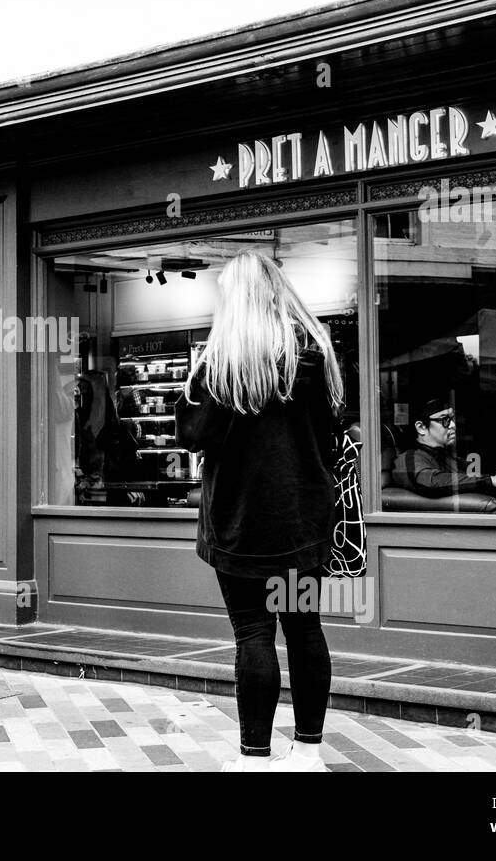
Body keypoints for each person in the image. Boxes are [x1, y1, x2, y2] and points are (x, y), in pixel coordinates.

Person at [174, 251, 341, 772]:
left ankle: (253, 760)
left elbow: (193, 435)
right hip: (305, 520)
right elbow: (334, 431)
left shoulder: (222, 361)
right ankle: (309, 753)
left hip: (241, 523)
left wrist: (199, 373)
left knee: (253, 634)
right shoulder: (316, 352)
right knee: (305, 628)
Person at [394, 398, 496, 498]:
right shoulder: (410, 458)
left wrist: (494, 478)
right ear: (421, 427)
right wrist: (491, 481)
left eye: (453, 419)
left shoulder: (446, 456)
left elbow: (467, 479)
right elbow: (432, 481)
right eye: (445, 420)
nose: (453, 425)